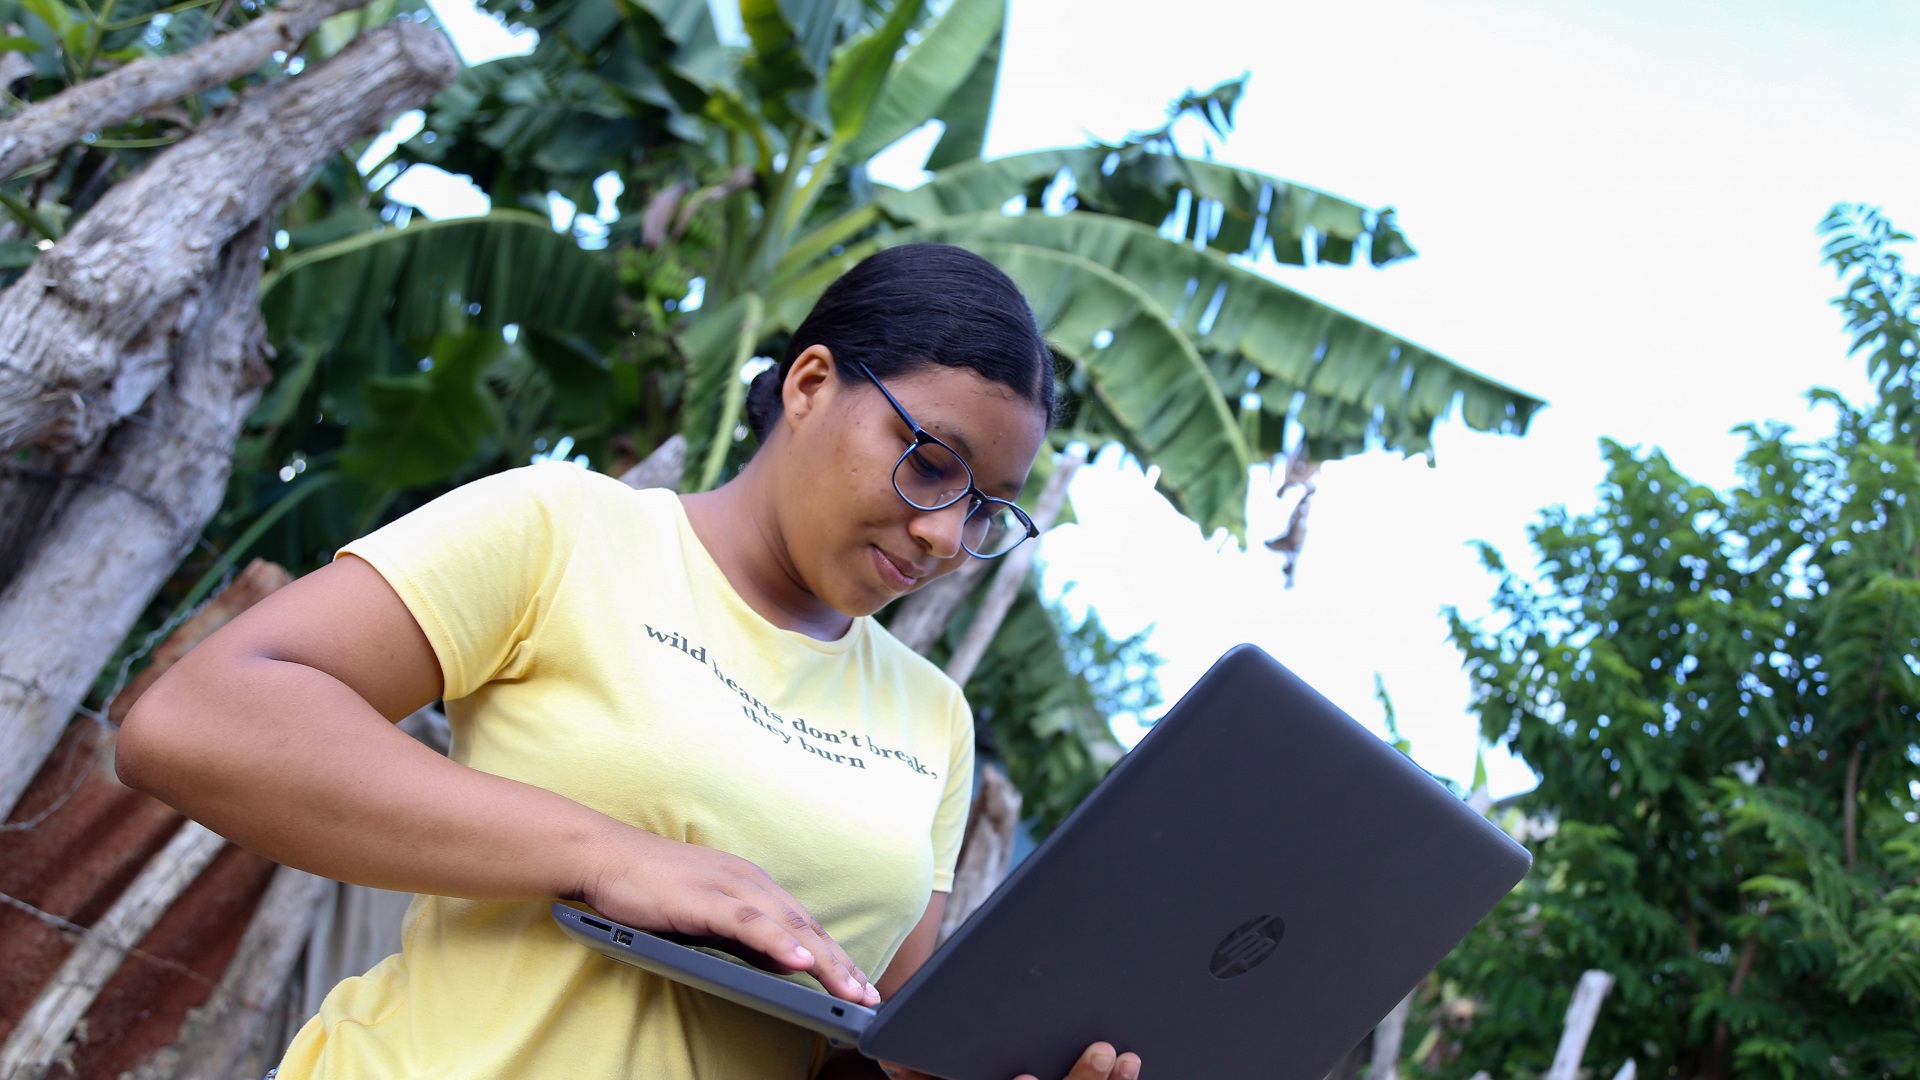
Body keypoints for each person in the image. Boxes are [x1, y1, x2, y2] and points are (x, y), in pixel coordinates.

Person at [117, 243, 1143, 1080]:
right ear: (812, 383)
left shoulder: (934, 718)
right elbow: (197, 719)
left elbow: (860, 1051)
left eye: (987, 511)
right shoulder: (569, 529)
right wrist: (617, 855)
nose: (944, 536)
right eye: (931, 463)